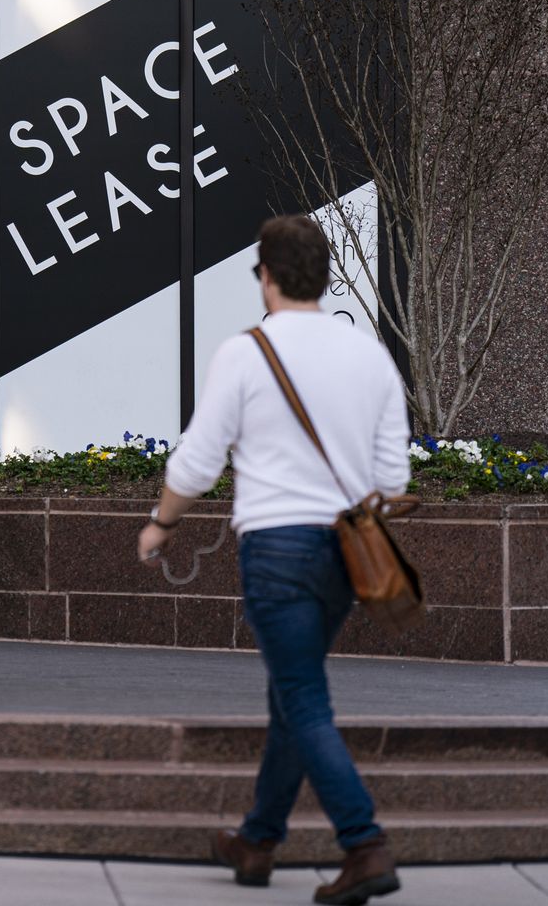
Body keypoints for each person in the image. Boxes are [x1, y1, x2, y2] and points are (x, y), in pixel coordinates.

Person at [136, 215, 409, 905]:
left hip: (277, 549)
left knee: (302, 698)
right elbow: (394, 481)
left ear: (266, 275)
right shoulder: (369, 356)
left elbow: (199, 459)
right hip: (347, 555)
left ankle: (364, 843)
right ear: (320, 275)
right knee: (293, 693)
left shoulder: (245, 352)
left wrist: (160, 524)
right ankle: (257, 841)